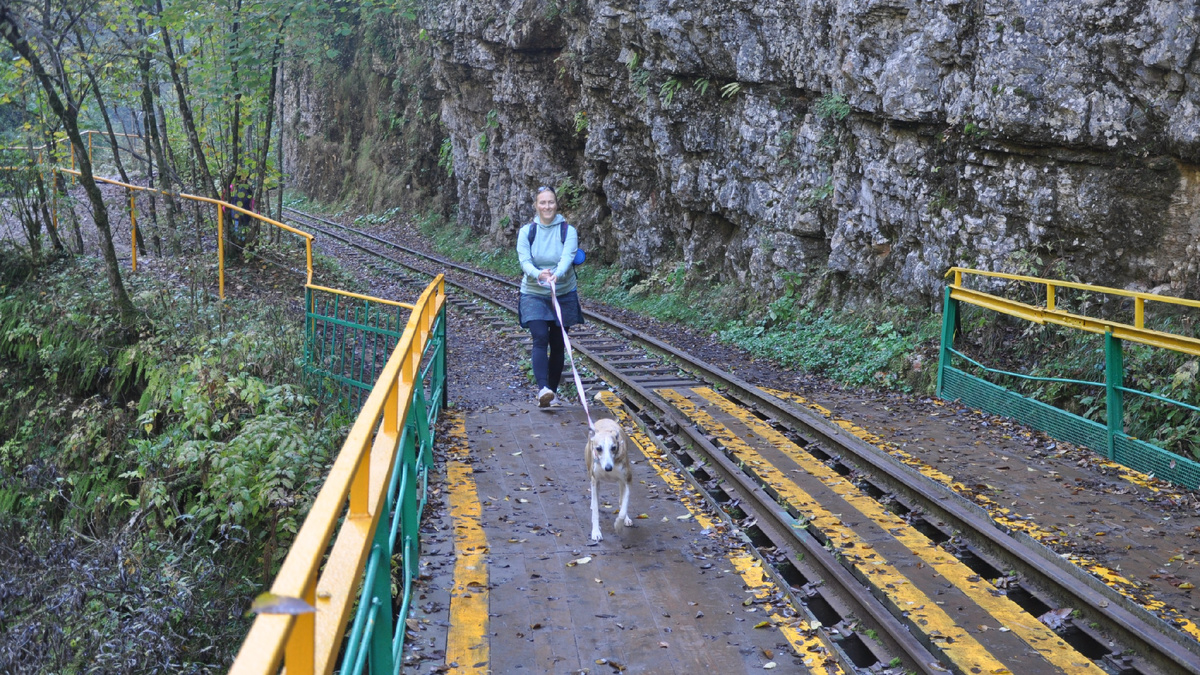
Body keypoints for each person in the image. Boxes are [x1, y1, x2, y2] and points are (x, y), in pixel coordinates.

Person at [516, 185, 583, 408]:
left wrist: (556, 274)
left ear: (556, 204)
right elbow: (525, 261)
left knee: (557, 343)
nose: (547, 206)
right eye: (542, 202)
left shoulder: (568, 230)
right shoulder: (527, 232)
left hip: (562, 292)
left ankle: (552, 394)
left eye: (551, 202)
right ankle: (543, 388)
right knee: (540, 337)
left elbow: (567, 257)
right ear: (535, 206)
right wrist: (538, 274)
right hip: (534, 292)